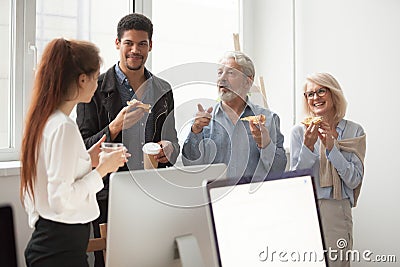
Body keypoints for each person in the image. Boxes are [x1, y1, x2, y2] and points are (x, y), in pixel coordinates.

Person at [76, 13, 179, 266]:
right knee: (110, 261)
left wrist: (170, 148)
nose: (135, 50)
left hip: (153, 191)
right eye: (129, 43)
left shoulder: (164, 89)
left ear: (150, 46)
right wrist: (115, 126)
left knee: (154, 259)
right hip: (109, 195)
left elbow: (172, 140)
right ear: (117, 44)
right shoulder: (94, 88)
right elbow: (82, 149)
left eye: (142, 44)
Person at [20, 38, 129, 267]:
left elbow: (51, 178)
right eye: (95, 77)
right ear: (82, 79)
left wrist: (87, 159)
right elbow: (61, 199)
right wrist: (101, 171)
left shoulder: (47, 120)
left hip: (51, 243)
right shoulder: (63, 127)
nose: (97, 85)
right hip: (60, 250)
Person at [290, 72, 366, 267]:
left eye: (321, 91)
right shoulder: (299, 132)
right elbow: (295, 182)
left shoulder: (354, 132)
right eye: (310, 94)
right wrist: (308, 146)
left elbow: (354, 180)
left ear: (333, 94)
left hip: (337, 209)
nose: (315, 97)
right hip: (306, 209)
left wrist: (332, 148)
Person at [182, 51, 287, 179]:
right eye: (220, 72)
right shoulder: (203, 121)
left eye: (230, 73)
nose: (222, 78)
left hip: (256, 197)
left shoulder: (269, 120)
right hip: (216, 196)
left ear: (248, 81)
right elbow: (189, 165)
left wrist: (264, 144)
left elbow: (279, 169)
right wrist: (195, 131)